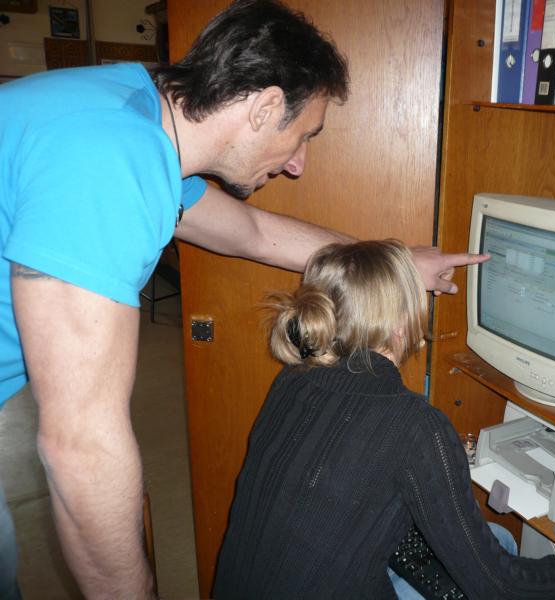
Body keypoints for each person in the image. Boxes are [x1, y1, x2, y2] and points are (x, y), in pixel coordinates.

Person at [0, 1, 487, 597]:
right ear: (264, 108)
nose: (298, 165)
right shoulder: (106, 161)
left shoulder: (137, 119)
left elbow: (252, 233)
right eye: (302, 136)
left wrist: (396, 262)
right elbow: (80, 445)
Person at [212, 239, 555, 599]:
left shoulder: (293, 378)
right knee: (502, 545)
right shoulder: (415, 426)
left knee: (480, 540)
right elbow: (499, 587)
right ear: (401, 327)